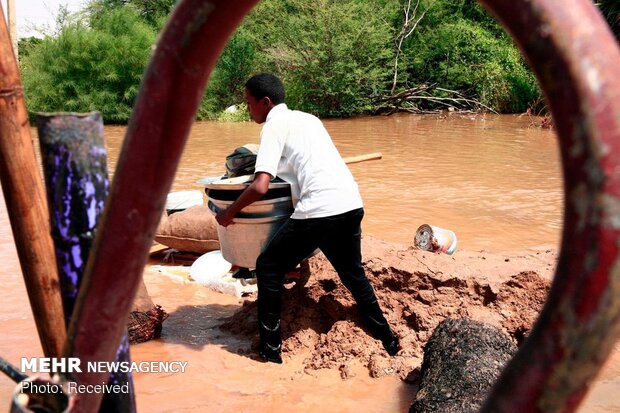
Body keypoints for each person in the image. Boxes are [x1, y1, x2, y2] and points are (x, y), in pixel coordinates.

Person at [216, 73, 399, 364]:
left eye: (249, 103)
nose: (247, 109)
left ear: (265, 102)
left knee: (268, 265)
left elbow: (261, 185)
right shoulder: (308, 119)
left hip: (320, 210)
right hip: (350, 203)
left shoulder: (273, 127)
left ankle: (270, 351)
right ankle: (388, 339)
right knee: (353, 273)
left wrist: (229, 212)